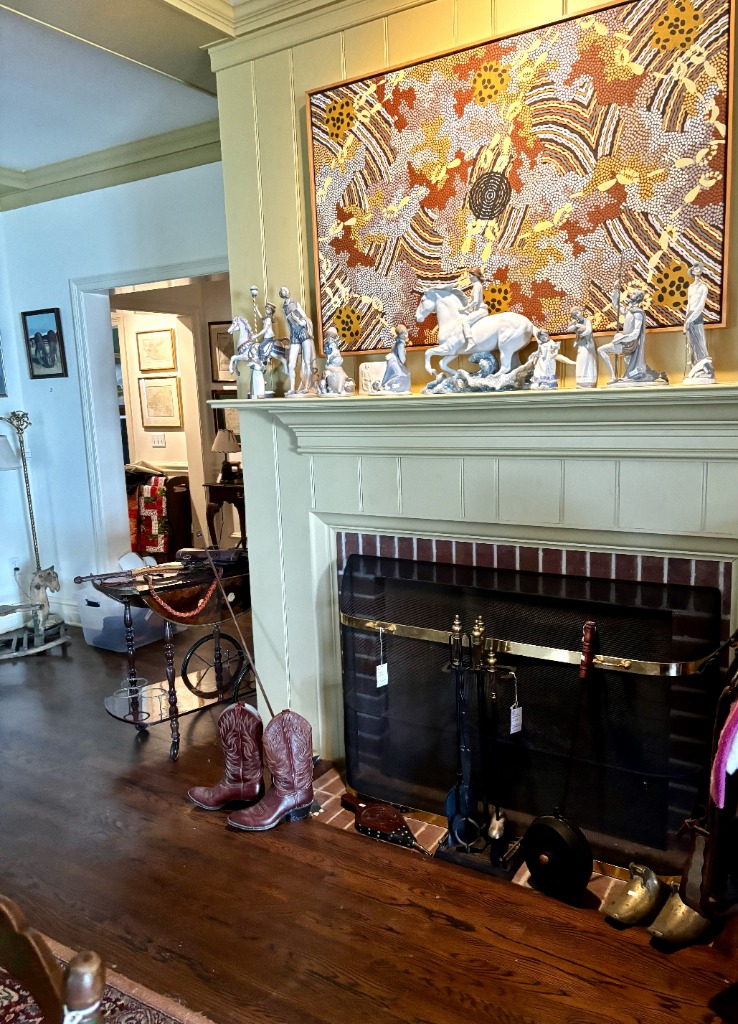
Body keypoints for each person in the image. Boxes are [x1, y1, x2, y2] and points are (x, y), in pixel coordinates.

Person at [597, 289, 667, 385]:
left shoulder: (638, 313)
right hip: (625, 341)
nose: (631, 294)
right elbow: (617, 306)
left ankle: (613, 377)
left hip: (629, 344)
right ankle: (659, 375)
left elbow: (635, 333)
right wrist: (615, 293)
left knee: (601, 350)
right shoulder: (630, 310)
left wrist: (621, 339)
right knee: (635, 369)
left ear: (638, 297)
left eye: (634, 293)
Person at [279, 286, 318, 395]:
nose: (284, 292)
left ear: (288, 292)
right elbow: (288, 324)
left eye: (285, 290)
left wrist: (300, 321)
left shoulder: (295, 303)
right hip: (294, 335)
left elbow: (305, 318)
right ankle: (292, 388)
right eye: (282, 291)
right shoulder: (283, 308)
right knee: (291, 364)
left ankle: (307, 386)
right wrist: (290, 336)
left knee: (307, 361)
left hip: (303, 332)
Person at [683, 263, 715, 383]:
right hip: (690, 316)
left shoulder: (703, 287)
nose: (697, 270)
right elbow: (689, 304)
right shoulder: (690, 287)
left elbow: (700, 305)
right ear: (692, 270)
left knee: (700, 343)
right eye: (695, 268)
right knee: (691, 344)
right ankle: (695, 368)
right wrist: (686, 321)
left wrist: (691, 319)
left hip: (696, 316)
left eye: (699, 268)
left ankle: (705, 367)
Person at [566, 308, 597, 388]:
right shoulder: (576, 323)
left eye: (577, 313)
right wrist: (574, 324)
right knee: (581, 360)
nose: (576, 315)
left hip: (588, 343)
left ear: (581, 312)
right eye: (574, 315)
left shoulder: (587, 321)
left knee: (587, 360)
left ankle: (588, 381)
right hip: (581, 344)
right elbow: (569, 329)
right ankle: (580, 381)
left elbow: (588, 330)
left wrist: (581, 333)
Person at [457, 267, 487, 347]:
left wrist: (465, 308)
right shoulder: (477, 285)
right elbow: (471, 300)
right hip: (477, 309)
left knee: (465, 322)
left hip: (480, 309)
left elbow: (475, 301)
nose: (469, 277)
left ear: (475, 276)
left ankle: (470, 342)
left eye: (470, 275)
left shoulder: (477, 285)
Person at [380, 324, 412, 393]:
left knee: (404, 374)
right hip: (394, 361)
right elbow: (402, 357)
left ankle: (400, 388)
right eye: (403, 334)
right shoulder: (400, 344)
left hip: (395, 360)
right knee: (399, 374)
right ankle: (389, 387)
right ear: (399, 335)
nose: (406, 335)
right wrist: (402, 361)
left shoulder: (399, 342)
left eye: (406, 333)